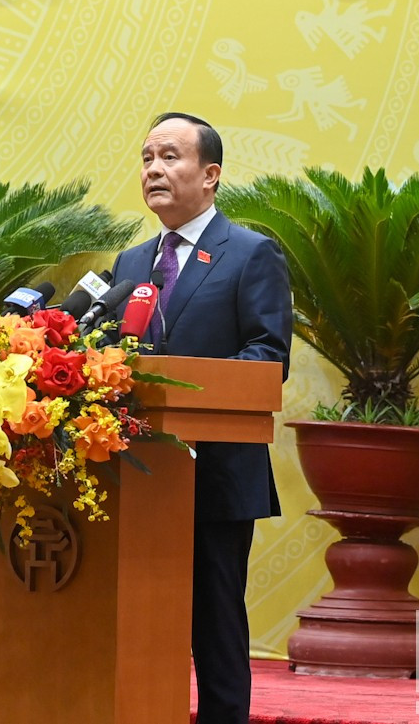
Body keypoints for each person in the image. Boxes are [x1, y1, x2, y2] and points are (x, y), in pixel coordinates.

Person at [112, 112, 291, 724]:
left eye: (170, 156)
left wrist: (186, 389)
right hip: (137, 473)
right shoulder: (130, 263)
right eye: (146, 158)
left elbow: (269, 355)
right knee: (132, 615)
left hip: (216, 470)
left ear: (210, 174)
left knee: (215, 620)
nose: (153, 170)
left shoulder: (250, 254)